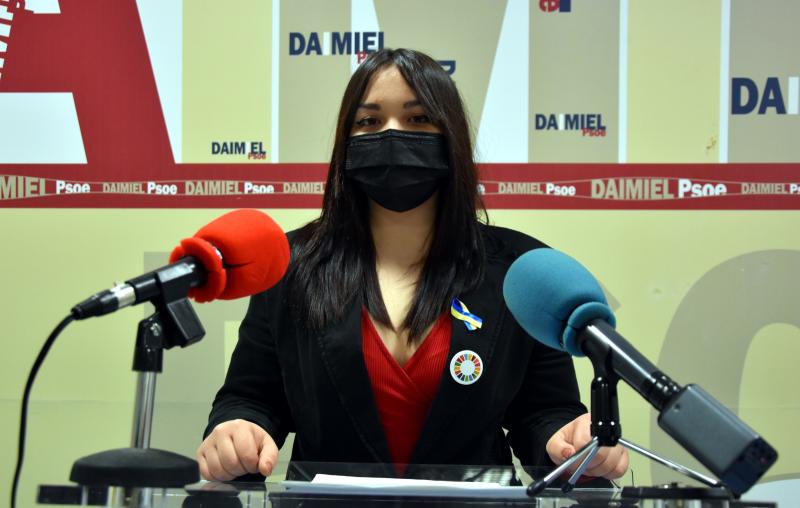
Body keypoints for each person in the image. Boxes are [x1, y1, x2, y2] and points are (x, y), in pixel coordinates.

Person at [197, 48, 628, 483]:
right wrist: (237, 430)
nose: (391, 134)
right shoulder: (291, 265)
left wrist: (568, 441)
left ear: (451, 135)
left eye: (418, 118)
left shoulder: (519, 270)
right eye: (369, 121)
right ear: (346, 141)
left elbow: (545, 412)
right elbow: (251, 398)